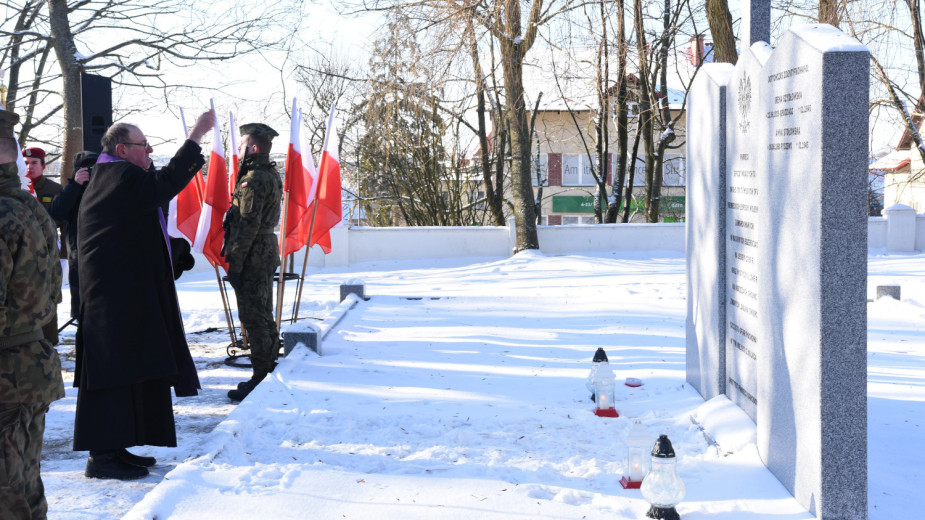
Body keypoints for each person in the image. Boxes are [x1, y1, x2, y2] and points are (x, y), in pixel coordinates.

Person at [74, 110, 215, 480]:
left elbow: (138, 224)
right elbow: (164, 185)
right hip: (112, 299)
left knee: (130, 371)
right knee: (113, 374)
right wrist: (196, 136)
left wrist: (175, 251)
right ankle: (102, 457)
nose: (150, 150)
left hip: (122, 294)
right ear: (122, 149)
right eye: (143, 144)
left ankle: (116, 447)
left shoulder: (115, 176)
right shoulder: (119, 175)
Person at [0, 109, 66, 519]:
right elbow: (52, 293)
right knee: (23, 491)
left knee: (9, 498)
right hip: (30, 368)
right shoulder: (27, 206)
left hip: (8, 375)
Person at [222, 123, 283, 402]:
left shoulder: (253, 178)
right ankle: (268, 368)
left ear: (253, 147)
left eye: (242, 144)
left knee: (253, 316)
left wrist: (235, 264)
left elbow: (247, 224)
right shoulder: (268, 173)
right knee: (263, 312)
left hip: (253, 253)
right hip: (264, 249)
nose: (238, 148)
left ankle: (260, 377)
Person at [47, 151, 98, 319]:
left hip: (104, 255)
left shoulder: (105, 187)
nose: (90, 172)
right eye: (86, 168)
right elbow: (55, 212)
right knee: (81, 306)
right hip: (79, 255)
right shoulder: (72, 191)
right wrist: (75, 185)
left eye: (94, 168)